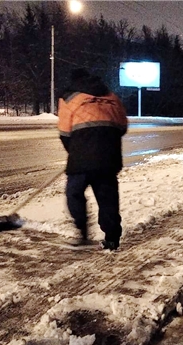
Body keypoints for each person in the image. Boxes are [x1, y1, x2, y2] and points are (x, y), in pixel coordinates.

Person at [58, 68, 128, 251]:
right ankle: (112, 239)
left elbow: (65, 133)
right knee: (108, 197)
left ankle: (83, 234)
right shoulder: (112, 97)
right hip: (109, 156)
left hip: (81, 156)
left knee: (74, 193)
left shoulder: (68, 98)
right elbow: (122, 126)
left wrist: (76, 151)